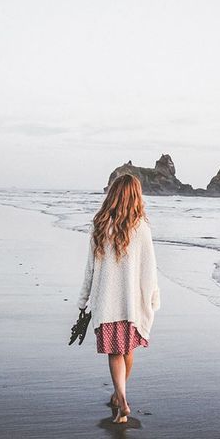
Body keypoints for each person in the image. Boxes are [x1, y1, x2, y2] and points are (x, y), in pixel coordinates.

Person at [77, 174, 161, 424]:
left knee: (115, 352)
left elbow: (89, 269)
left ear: (112, 195)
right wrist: (153, 297)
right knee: (127, 350)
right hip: (131, 305)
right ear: (136, 196)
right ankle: (120, 396)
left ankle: (120, 398)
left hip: (106, 304)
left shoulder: (99, 225)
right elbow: (150, 268)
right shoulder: (141, 228)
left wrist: (83, 300)